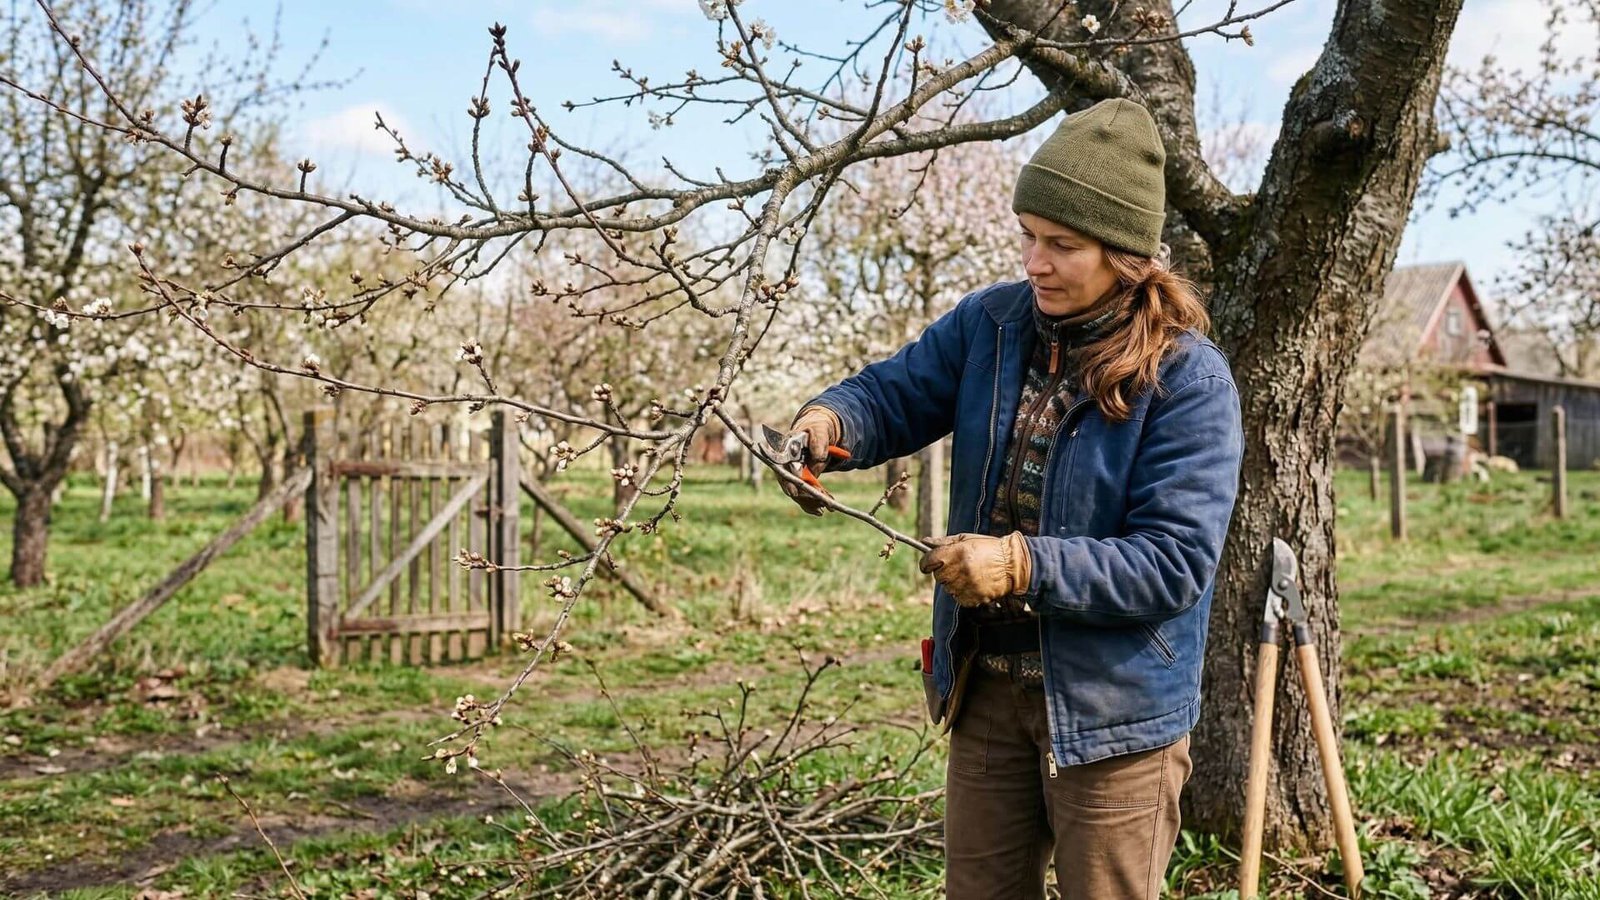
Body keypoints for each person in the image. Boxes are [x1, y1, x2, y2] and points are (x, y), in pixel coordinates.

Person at [780, 98, 1244, 899]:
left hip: (1114, 713)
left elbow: (1172, 564)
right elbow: (892, 396)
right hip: (988, 689)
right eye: (1028, 234)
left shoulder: (1188, 380)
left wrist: (1020, 564)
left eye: (1062, 245)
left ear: (1127, 254)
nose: (1035, 261)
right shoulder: (991, 326)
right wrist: (828, 421)